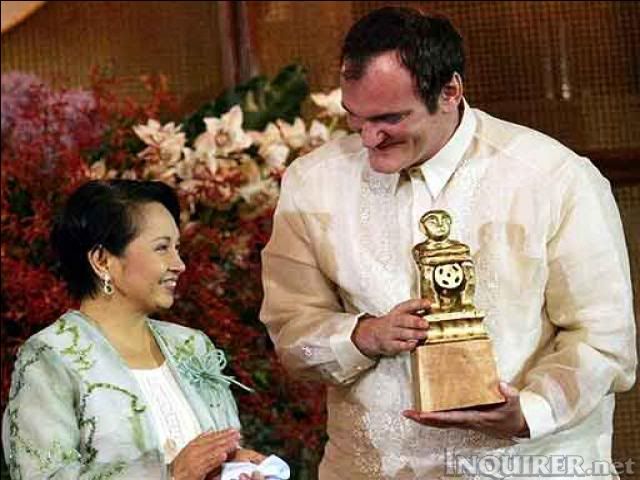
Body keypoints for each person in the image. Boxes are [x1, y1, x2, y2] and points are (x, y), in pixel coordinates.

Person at [260, 6, 636, 479]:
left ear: (450, 92)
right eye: (355, 118)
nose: (370, 138)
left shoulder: (553, 178)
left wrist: (529, 411)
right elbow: (291, 329)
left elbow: (604, 340)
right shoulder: (313, 183)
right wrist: (361, 337)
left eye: (390, 118)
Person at [2, 180, 266, 479]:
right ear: (102, 260)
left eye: (177, 248)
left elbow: (221, 448)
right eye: (162, 248)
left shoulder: (191, 346)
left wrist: (234, 466)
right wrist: (170, 474)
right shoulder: (52, 356)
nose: (179, 264)